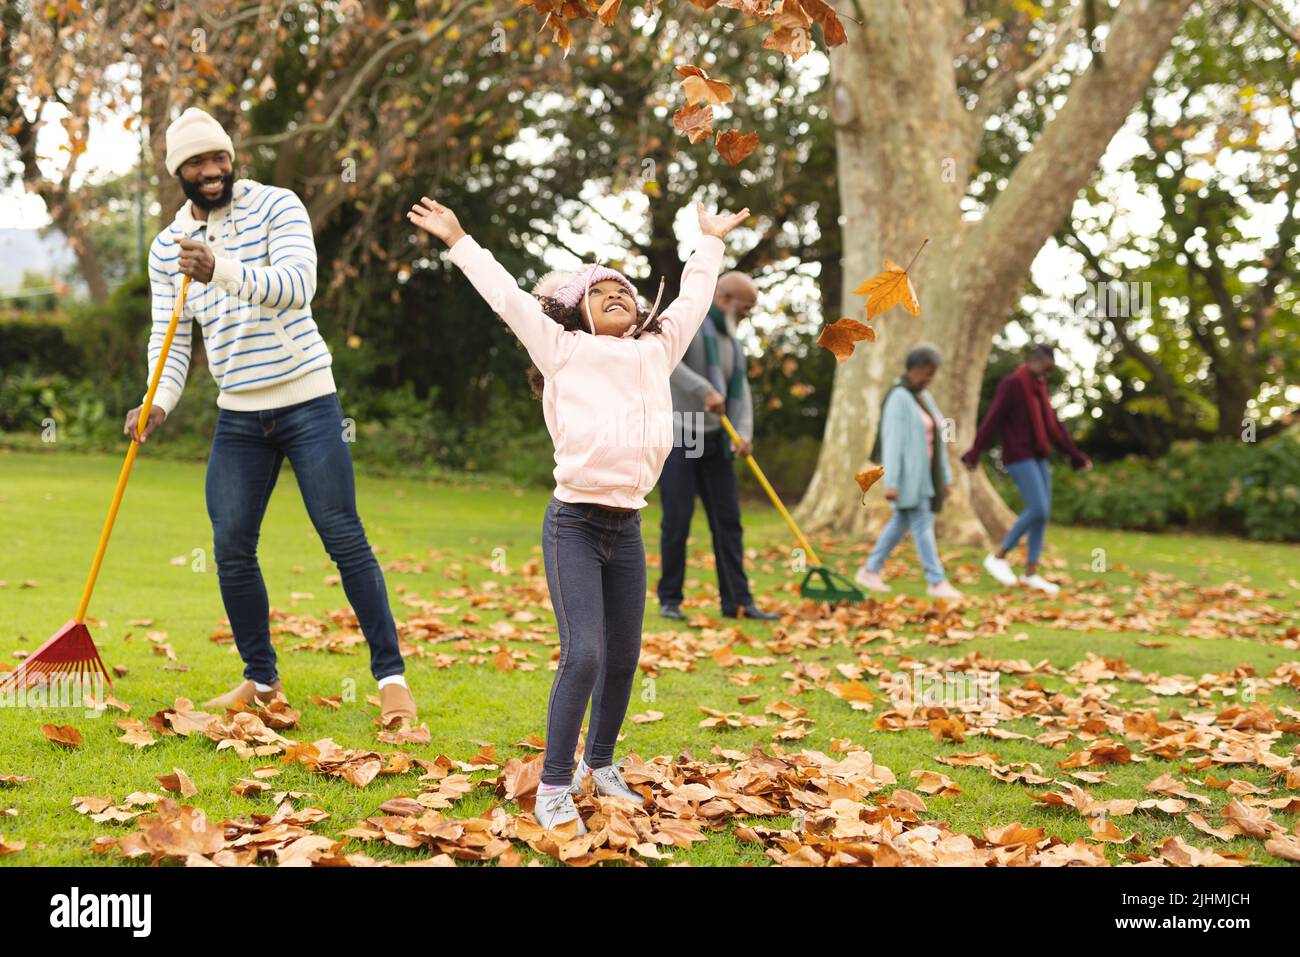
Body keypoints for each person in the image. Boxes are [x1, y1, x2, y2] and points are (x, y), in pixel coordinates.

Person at [407, 192, 748, 833]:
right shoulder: (560, 348)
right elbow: (506, 296)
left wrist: (710, 242)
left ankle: (602, 763)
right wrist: (458, 239)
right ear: (575, 311)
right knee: (584, 654)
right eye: (600, 293)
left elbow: (695, 298)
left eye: (623, 289)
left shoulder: (656, 350)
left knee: (623, 658)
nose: (616, 294)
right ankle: (555, 784)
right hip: (575, 524)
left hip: (628, 524)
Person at [125, 108, 417, 726]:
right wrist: (158, 400)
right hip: (239, 414)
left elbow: (296, 286)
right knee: (231, 544)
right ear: (179, 170)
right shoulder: (166, 249)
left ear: (232, 159)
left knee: (343, 536)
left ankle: (391, 680)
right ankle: (260, 681)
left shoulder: (278, 206)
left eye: (219, 158)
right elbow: (172, 337)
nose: (211, 171)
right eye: (197, 163)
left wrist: (220, 269)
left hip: (308, 399)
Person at [656, 271, 777, 623]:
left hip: (717, 441)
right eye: (745, 307)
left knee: (729, 522)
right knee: (677, 520)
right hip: (684, 434)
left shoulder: (733, 341)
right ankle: (670, 599)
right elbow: (666, 361)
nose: (748, 315)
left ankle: (737, 602)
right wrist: (703, 390)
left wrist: (744, 432)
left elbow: (741, 390)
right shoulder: (689, 325)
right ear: (723, 298)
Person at [961, 343, 1093, 595]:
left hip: (1039, 455)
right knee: (1038, 509)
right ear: (1033, 360)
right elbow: (993, 418)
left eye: (1051, 370)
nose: (1047, 374)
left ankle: (1031, 573)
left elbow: (1054, 427)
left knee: (1042, 515)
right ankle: (998, 556)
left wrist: (1076, 456)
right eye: (1045, 367)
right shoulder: (1012, 384)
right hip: (1017, 455)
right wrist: (976, 451)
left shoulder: (1039, 389)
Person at [855, 345, 962, 600]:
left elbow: (937, 439)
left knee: (902, 522)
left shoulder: (924, 397)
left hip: (927, 476)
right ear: (913, 370)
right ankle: (936, 581)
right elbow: (892, 442)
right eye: (927, 373)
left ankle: (870, 570)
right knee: (923, 523)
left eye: (932, 374)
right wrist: (890, 482)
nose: (929, 379)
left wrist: (945, 478)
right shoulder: (898, 397)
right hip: (908, 478)